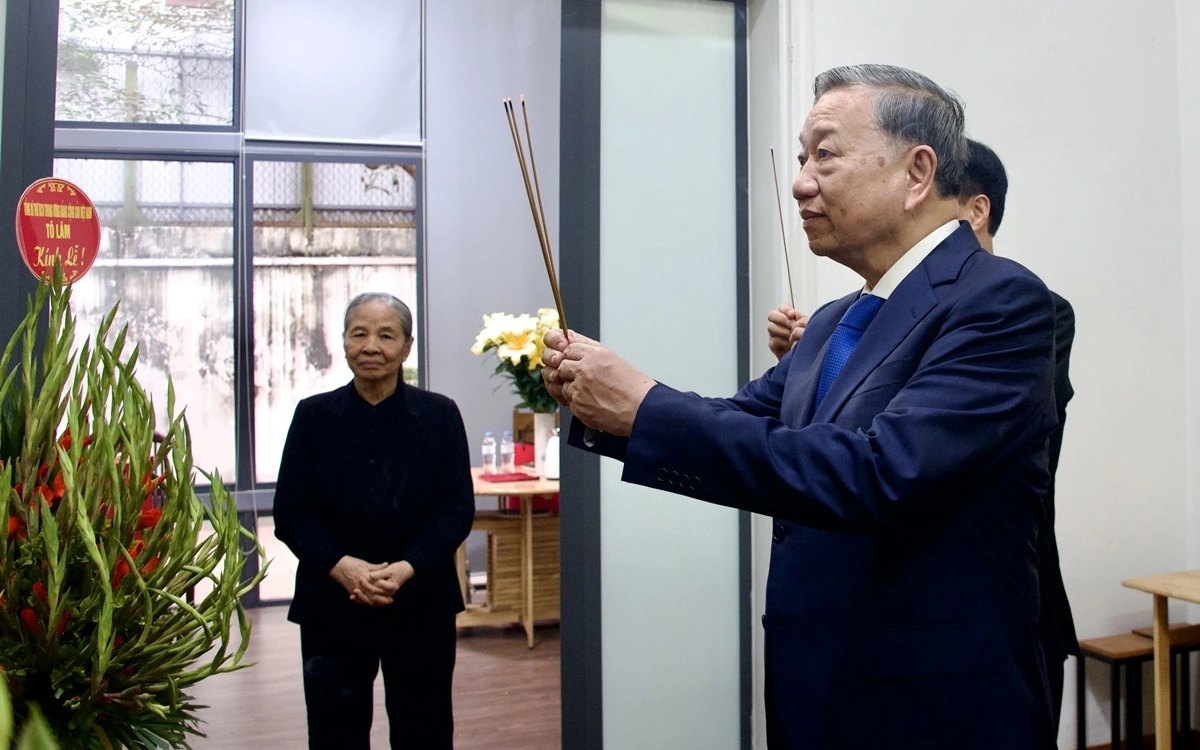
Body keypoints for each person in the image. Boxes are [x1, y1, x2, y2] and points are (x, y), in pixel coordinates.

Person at [542, 64, 1059, 748]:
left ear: (917, 172)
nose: (800, 183)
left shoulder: (1000, 301)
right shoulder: (839, 319)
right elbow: (747, 420)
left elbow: (882, 470)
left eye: (825, 155)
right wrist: (607, 407)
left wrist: (644, 408)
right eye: (800, 158)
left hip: (931, 702)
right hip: (817, 683)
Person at [767, 137, 1078, 731]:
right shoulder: (858, 312)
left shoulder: (1024, 305)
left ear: (973, 210)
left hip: (980, 597)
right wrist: (811, 370)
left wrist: (844, 372)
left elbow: (908, 443)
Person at [273, 292, 474, 749]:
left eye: (386, 336)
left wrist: (406, 567)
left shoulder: (439, 416)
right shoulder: (313, 417)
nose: (370, 347)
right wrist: (342, 566)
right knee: (334, 734)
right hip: (333, 601)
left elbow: (456, 508)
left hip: (420, 599)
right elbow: (290, 511)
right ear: (343, 341)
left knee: (424, 732)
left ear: (407, 346)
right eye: (359, 334)